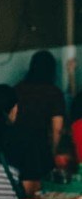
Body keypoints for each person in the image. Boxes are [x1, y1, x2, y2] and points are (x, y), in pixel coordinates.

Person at [15, 50, 66, 178]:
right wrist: (53, 153)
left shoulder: (17, 89)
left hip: (17, 147)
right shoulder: (54, 93)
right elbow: (57, 128)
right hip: (41, 149)